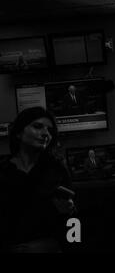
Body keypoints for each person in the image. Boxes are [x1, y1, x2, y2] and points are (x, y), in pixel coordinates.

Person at [0, 107, 75, 253]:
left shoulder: (57, 169)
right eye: (37, 126)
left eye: (50, 131)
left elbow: (74, 223)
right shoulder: (3, 170)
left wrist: (69, 210)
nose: (46, 134)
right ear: (19, 133)